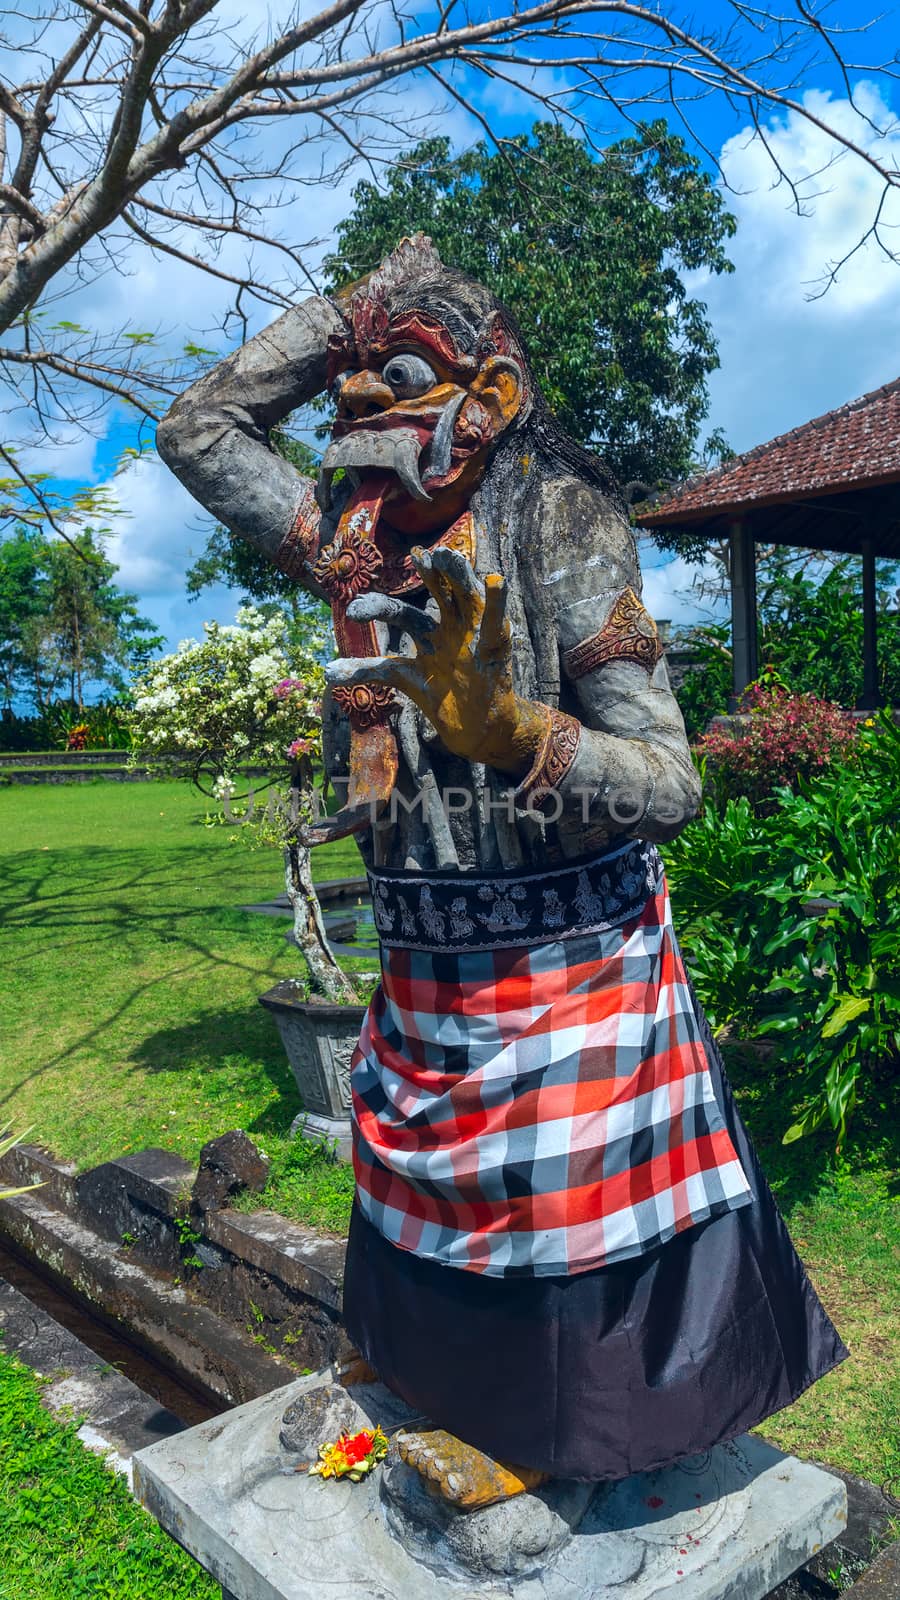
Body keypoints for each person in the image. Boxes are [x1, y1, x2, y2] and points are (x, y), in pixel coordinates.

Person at [157, 236, 846, 1505]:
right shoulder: (349, 541)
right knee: (415, 1192)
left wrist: (513, 728)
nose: (358, 417)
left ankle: (549, 1434)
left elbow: (672, 780)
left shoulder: (560, 520)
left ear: (492, 402)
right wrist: (362, 315)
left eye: (399, 384)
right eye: (343, 396)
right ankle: (439, 1384)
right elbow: (198, 428)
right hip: (425, 961)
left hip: (570, 971)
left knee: (559, 1215)